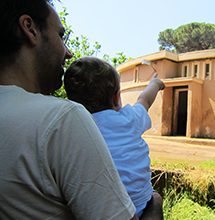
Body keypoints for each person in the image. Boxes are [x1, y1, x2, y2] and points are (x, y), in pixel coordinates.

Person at [0, 0, 140, 219]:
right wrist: (155, 206)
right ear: (30, 28)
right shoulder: (61, 120)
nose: (68, 52)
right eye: (61, 36)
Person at [64, 57, 165, 220]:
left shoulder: (75, 127)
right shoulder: (129, 118)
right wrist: (155, 84)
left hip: (100, 209)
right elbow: (144, 100)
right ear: (117, 98)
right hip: (142, 203)